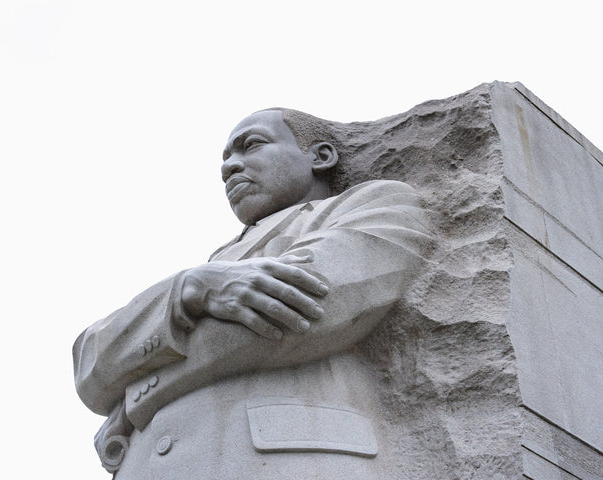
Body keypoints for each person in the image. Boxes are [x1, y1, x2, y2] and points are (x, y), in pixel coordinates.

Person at [73, 109, 434, 479]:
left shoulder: (377, 204)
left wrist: (133, 393)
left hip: (285, 461)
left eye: (251, 146)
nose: (230, 167)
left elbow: (303, 308)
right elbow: (88, 364)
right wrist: (189, 289)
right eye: (225, 159)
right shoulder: (210, 265)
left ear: (320, 156)